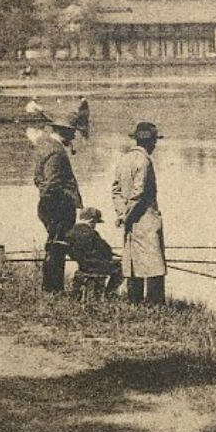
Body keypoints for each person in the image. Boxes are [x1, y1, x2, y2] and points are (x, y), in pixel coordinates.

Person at [112, 120, 167, 304]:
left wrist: (122, 214)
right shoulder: (144, 161)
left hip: (130, 222)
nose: (155, 145)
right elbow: (139, 193)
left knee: (133, 263)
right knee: (154, 266)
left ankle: (134, 302)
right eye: (154, 141)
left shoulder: (123, 160)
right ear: (150, 142)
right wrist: (127, 215)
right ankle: (155, 306)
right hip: (146, 220)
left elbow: (116, 191)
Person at [33, 110, 84, 293]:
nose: (74, 136)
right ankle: (53, 289)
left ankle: (51, 288)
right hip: (57, 206)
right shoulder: (56, 152)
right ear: (65, 131)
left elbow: (39, 179)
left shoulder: (44, 145)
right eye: (73, 132)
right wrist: (61, 203)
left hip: (49, 205)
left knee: (54, 245)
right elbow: (51, 183)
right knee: (57, 247)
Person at [65, 207, 122, 297]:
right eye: (95, 222)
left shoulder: (70, 233)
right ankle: (109, 294)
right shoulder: (92, 233)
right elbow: (106, 249)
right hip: (95, 265)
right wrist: (111, 255)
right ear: (92, 220)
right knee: (120, 267)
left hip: (82, 265)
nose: (95, 225)